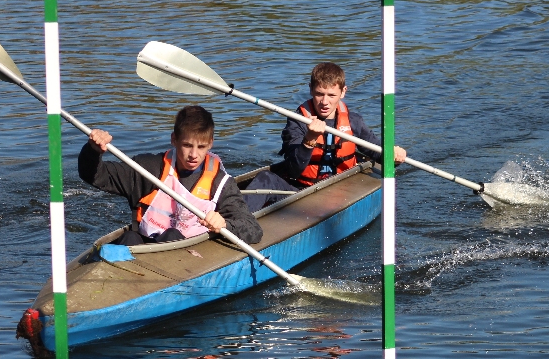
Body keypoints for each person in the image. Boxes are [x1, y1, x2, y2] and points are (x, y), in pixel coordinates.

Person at [78, 105, 262, 246]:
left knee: (172, 235)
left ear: (210, 144)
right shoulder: (148, 169)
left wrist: (225, 225)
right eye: (187, 145)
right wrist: (93, 151)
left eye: (201, 147)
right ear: (174, 140)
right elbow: (94, 176)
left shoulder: (220, 184)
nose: (194, 155)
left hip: (189, 255)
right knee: (129, 237)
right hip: (144, 247)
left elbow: (253, 230)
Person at [279, 62, 406, 186]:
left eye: (331, 95)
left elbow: (378, 154)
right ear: (311, 89)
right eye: (319, 94)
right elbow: (292, 171)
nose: (325, 102)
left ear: (343, 92)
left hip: (344, 186)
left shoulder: (354, 121)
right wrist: (310, 138)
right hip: (304, 187)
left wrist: (394, 155)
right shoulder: (297, 122)